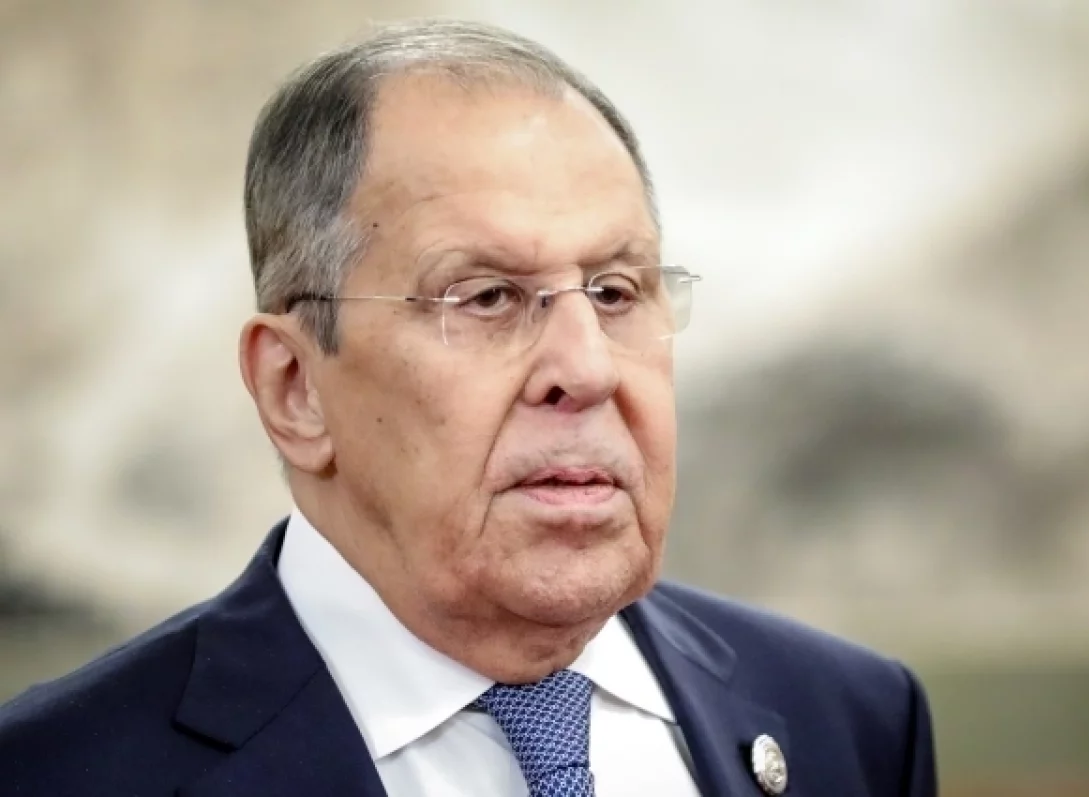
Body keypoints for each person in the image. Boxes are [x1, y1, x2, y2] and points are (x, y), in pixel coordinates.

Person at [0, 18, 936, 797]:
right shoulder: (54, 772)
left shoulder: (851, 722)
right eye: (486, 297)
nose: (586, 368)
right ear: (295, 388)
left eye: (616, 292)